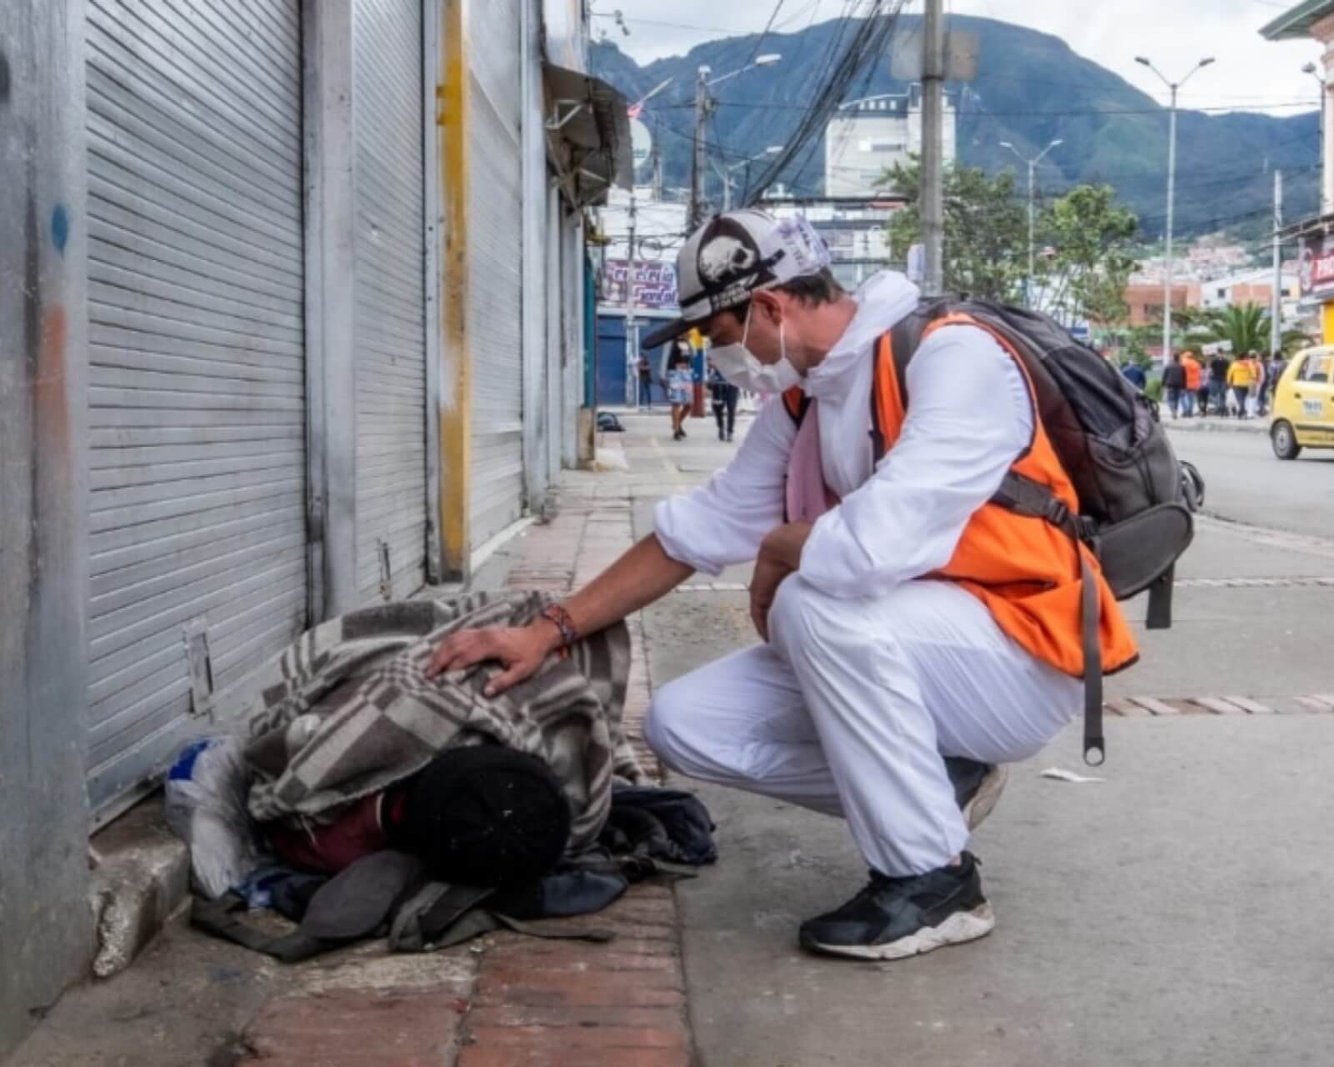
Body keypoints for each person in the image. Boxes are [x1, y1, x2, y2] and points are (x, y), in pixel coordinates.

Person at [425, 209, 1137, 962]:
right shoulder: (808, 398)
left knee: (811, 601)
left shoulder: (952, 355)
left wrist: (777, 548)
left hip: (1024, 648)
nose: (718, 356)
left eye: (718, 335)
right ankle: (936, 786)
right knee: (686, 724)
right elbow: (697, 530)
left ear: (768, 305)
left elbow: (872, 547)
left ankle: (935, 880)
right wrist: (548, 630)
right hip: (924, 644)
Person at [666, 345, 694, 441]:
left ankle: (677, 423)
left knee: (689, 404)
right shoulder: (673, 345)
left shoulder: (689, 344)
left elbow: (691, 360)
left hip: (687, 375)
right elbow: (669, 362)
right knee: (676, 403)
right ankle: (676, 431)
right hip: (676, 375)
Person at [709, 364, 739, 442]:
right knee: (718, 408)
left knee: (731, 408)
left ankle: (730, 432)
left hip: (733, 385)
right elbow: (710, 363)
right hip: (719, 384)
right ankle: (721, 426)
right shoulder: (719, 357)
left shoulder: (737, 358)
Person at [1226, 353, 1254, 419]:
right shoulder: (1249, 364)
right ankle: (1241, 412)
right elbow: (1253, 374)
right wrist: (1251, 379)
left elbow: (1229, 374)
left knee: (1240, 399)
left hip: (1236, 384)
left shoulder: (1234, 364)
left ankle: (1242, 412)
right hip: (1246, 384)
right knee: (1243, 399)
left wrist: (1228, 382)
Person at [1161, 356, 1187, 420]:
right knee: (1176, 399)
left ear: (1173, 358)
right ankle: (1175, 410)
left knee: (1170, 399)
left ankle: (1172, 409)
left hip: (1170, 384)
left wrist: (1163, 385)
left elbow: (1164, 376)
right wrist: (1184, 387)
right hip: (1179, 385)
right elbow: (1184, 378)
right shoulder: (1182, 367)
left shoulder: (1168, 366)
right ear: (1178, 359)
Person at [1180, 350, 1202, 417]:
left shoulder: (1183, 363)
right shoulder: (1196, 364)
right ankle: (1190, 412)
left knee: (1182, 397)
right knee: (1191, 399)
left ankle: (1185, 410)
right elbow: (1199, 375)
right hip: (1193, 384)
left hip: (1184, 383)